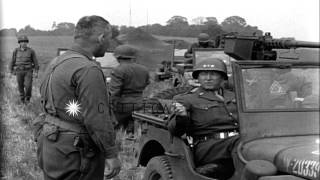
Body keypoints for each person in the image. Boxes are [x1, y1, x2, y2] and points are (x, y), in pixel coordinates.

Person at [37, 15, 121, 180]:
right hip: (76, 152)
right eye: (109, 39)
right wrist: (111, 154)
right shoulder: (88, 69)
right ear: (101, 37)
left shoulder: (56, 61)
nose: (109, 43)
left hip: (51, 143)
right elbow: (97, 118)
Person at [168, 58, 239, 180]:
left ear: (222, 77)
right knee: (243, 144)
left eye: (213, 74)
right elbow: (175, 130)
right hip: (208, 146)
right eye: (203, 74)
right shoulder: (186, 99)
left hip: (236, 143)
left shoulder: (236, 96)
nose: (208, 78)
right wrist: (182, 116)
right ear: (198, 77)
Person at [109, 44, 150, 133]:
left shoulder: (118, 70)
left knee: (116, 131)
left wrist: (109, 107)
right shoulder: (144, 69)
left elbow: (114, 92)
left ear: (118, 57)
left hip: (122, 106)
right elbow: (147, 84)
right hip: (139, 103)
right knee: (135, 131)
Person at [9, 35, 39, 104]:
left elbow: (35, 62)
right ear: (19, 43)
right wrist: (11, 71)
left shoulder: (31, 51)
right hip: (19, 71)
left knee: (28, 86)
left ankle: (28, 98)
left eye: (25, 42)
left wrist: (36, 72)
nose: (24, 43)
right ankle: (22, 99)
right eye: (22, 42)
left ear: (27, 43)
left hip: (28, 71)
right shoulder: (16, 51)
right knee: (20, 85)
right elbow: (12, 61)